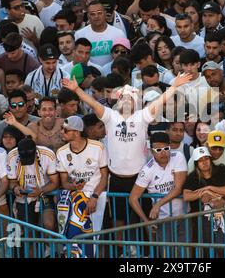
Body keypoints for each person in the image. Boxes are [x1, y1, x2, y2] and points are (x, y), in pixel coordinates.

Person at [61, 72, 191, 229]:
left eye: (130, 99)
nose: (127, 102)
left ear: (135, 103)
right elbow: (93, 104)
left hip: (139, 178)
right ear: (118, 101)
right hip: (116, 177)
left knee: (142, 218)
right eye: (123, 98)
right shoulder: (110, 116)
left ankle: (143, 252)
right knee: (118, 219)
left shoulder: (142, 116)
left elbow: (160, 101)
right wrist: (76, 90)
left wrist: (174, 86)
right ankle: (121, 251)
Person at [56, 116, 109, 241]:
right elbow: (64, 182)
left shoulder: (98, 147)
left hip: (97, 198)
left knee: (95, 239)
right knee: (74, 239)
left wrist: (94, 197)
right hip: (75, 199)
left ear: (76, 132)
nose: (62, 132)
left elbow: (104, 176)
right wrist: (73, 186)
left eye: (65, 130)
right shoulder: (61, 152)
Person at [129, 132, 187, 240]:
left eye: (166, 148)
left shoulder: (178, 156)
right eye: (158, 150)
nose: (163, 153)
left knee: (184, 252)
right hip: (163, 220)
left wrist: (157, 205)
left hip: (183, 216)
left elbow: (178, 188)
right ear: (151, 151)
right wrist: (146, 222)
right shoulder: (147, 170)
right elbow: (133, 198)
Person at [183, 146, 225, 243]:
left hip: (222, 215)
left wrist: (208, 189)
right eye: (200, 160)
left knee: (223, 247)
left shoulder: (221, 170)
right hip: (201, 219)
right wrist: (203, 194)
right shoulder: (192, 177)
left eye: (206, 158)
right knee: (207, 247)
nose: (204, 162)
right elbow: (186, 196)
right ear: (196, 163)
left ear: (210, 159)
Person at [7, 136, 59, 230]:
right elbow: (12, 182)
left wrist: (40, 190)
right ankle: (33, 244)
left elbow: (55, 182)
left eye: (30, 159)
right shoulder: (12, 156)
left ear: (36, 152)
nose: (27, 162)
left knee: (48, 224)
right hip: (24, 196)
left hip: (45, 193)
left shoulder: (47, 154)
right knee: (27, 229)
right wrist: (15, 188)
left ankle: (47, 245)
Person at [74, 0, 127, 66]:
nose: (96, 16)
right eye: (92, 14)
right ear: (88, 16)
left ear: (105, 13)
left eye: (99, 13)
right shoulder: (79, 34)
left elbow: (124, 57)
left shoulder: (119, 33)